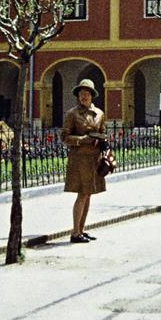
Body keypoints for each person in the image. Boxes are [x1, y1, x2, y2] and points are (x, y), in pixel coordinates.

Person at [61, 78, 107, 243]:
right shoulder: (72, 114)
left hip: (95, 158)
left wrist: (101, 141)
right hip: (79, 158)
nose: (83, 96)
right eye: (81, 93)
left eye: (87, 93)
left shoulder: (99, 113)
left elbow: (103, 132)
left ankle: (81, 229)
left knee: (88, 194)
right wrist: (81, 140)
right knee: (82, 194)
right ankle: (75, 232)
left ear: (92, 95)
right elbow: (64, 137)